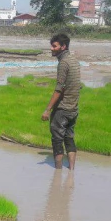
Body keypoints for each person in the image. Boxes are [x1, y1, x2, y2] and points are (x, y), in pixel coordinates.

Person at [41, 34, 81, 170]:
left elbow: (59, 88)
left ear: (63, 47)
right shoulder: (74, 60)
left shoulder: (63, 63)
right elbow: (75, 85)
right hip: (73, 109)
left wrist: (47, 109)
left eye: (54, 46)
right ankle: (71, 171)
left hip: (63, 109)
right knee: (69, 138)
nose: (51, 49)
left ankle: (57, 173)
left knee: (57, 140)